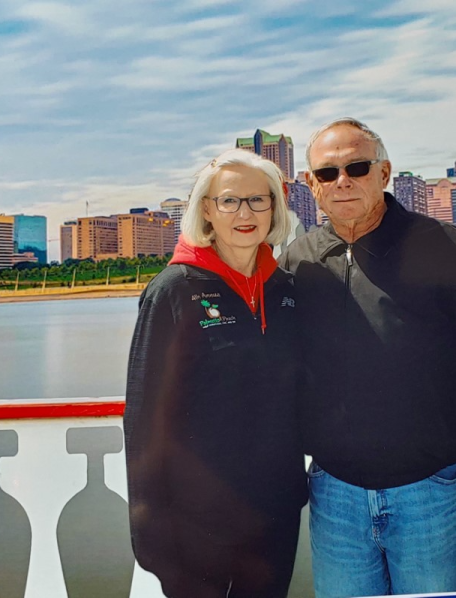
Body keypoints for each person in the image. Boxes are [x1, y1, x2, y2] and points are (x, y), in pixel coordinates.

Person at [279, 118, 456, 597]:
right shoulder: (299, 261)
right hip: (335, 492)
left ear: (385, 172)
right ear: (310, 185)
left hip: (428, 490)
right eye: (327, 174)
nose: (343, 181)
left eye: (356, 167)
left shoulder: (444, 249)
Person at [124, 149, 307, 598]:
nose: (244, 213)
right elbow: (144, 420)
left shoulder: (286, 290)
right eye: (229, 201)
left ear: (275, 208)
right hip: (194, 522)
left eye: (257, 200)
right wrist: (151, 531)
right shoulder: (174, 290)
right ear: (206, 210)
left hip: (273, 514)